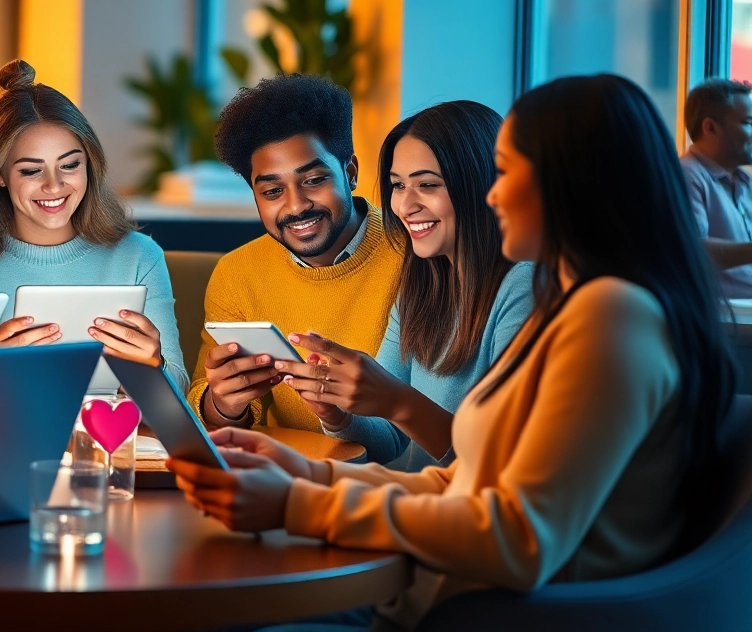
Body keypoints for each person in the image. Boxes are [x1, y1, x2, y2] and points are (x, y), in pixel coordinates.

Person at [169, 74, 736, 630]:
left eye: (507, 172)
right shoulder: (573, 307)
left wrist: (297, 505)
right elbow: (465, 480)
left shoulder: (613, 318)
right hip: (430, 596)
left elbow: (518, 540)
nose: (490, 192)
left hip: (481, 614)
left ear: (571, 184)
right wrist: (305, 476)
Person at [278, 102, 533, 471]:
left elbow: (499, 462)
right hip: (417, 503)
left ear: (482, 184)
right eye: (398, 186)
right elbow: (393, 440)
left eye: (428, 185)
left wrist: (397, 400)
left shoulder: (523, 287)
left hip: (464, 518)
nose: (405, 205)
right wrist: (335, 414)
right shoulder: (423, 284)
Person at [0, 59, 187, 388]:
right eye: (31, 170)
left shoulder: (139, 257)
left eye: (70, 165)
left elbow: (178, 388)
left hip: (108, 438)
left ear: (90, 164)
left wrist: (153, 368)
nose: (54, 185)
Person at [190, 74, 403, 432]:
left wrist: (338, 417)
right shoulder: (237, 273)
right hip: (282, 475)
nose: (297, 206)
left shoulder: (413, 253)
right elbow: (206, 411)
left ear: (350, 173)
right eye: (272, 191)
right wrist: (224, 403)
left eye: (314, 180)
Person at [680, 78, 752, 298]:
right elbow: (693, 251)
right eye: (748, 122)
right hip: (726, 325)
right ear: (710, 128)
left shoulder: (743, 179)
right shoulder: (686, 175)